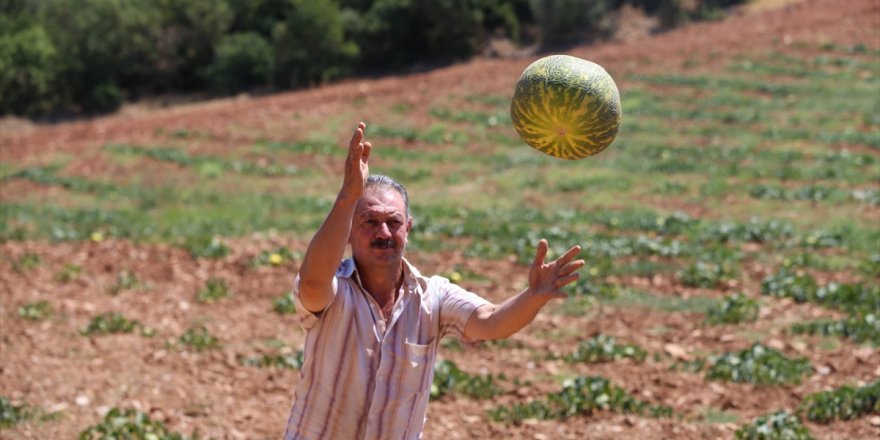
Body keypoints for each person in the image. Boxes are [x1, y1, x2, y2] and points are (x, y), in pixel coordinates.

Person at [283, 122, 585, 439]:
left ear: (408, 229)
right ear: (348, 231)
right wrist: (347, 197)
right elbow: (312, 285)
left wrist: (533, 296)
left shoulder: (432, 297)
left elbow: (491, 321)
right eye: (369, 221)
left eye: (393, 222)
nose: (383, 233)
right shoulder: (335, 289)